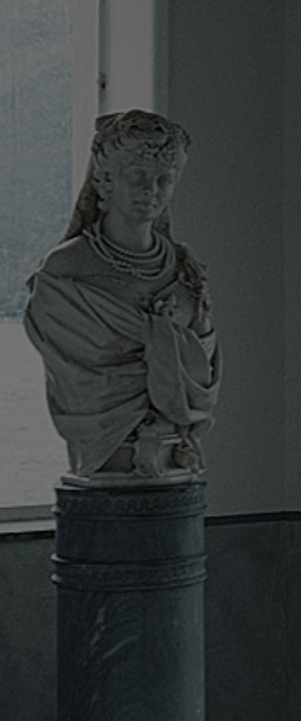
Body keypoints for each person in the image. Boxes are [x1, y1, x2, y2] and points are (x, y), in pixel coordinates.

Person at [24, 110, 220, 478]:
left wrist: (165, 341)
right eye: (139, 176)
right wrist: (161, 338)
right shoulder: (66, 270)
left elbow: (203, 363)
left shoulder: (184, 269)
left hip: (174, 457)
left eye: (165, 179)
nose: (152, 191)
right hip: (106, 456)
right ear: (107, 180)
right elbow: (83, 376)